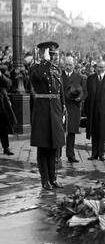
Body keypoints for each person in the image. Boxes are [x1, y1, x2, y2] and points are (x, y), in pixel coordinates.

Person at [29, 42, 65, 192]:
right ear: (43, 54)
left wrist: (63, 109)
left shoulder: (56, 69)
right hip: (42, 111)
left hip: (55, 110)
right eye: (50, 54)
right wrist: (45, 61)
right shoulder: (35, 68)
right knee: (43, 147)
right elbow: (37, 78)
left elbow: (60, 90)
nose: (53, 57)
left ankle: (53, 178)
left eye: (54, 54)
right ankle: (45, 180)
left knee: (53, 146)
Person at [62, 56, 86, 163]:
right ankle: (57, 155)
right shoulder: (59, 76)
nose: (68, 67)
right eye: (66, 64)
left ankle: (70, 155)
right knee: (59, 131)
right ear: (64, 65)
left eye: (70, 65)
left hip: (74, 107)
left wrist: (79, 98)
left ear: (74, 65)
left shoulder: (79, 77)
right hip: (61, 106)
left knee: (71, 132)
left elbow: (85, 92)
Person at [0, 65, 17, 155]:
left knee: (3, 127)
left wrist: (1, 75)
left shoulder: (2, 74)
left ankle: (6, 147)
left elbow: (9, 84)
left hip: (2, 106)